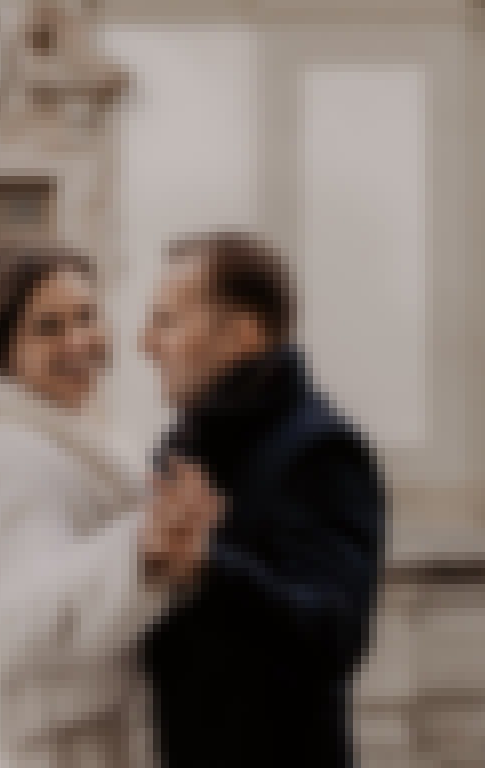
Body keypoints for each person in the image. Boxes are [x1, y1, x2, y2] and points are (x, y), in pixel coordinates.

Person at [0, 242, 218, 768]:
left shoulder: (72, 445)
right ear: (5, 350)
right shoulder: (12, 456)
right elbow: (22, 611)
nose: (79, 340)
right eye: (48, 327)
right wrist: (140, 552)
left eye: (87, 316)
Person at [136, 232, 388, 768]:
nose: (145, 341)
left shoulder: (321, 449)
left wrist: (209, 566)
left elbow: (336, 631)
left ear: (242, 337)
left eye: (167, 321)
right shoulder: (178, 450)